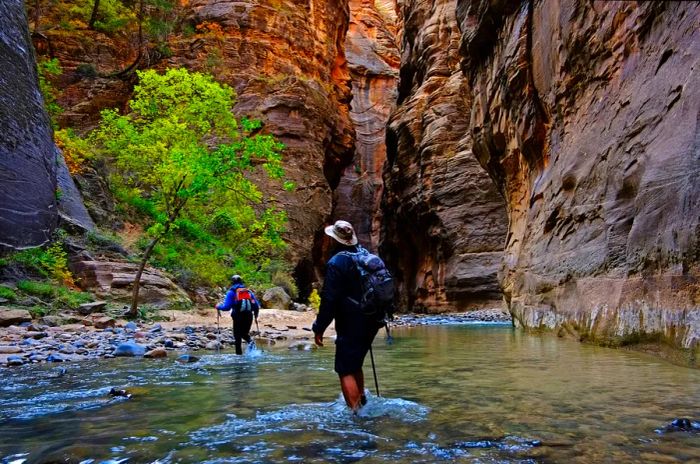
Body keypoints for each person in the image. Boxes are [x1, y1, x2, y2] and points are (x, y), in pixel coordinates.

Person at [312, 220, 384, 412]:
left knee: (344, 369)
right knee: (355, 362)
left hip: (351, 322)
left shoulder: (337, 262)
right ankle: (361, 401)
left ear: (335, 239)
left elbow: (329, 299)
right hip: (373, 319)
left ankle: (356, 417)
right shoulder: (367, 256)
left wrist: (319, 328)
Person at [216, 275, 260, 355]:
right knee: (244, 334)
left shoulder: (231, 292)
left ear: (232, 282)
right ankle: (252, 348)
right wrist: (256, 316)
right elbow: (256, 306)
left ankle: (238, 357)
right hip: (249, 316)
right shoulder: (248, 292)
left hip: (238, 316)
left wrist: (218, 306)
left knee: (237, 337)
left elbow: (227, 307)